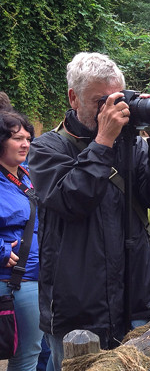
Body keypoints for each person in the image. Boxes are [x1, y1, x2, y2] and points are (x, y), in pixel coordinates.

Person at [28, 52, 150, 370]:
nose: (109, 110)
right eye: (100, 101)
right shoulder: (46, 149)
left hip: (136, 305)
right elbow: (73, 201)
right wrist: (103, 141)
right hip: (78, 317)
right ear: (73, 97)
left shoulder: (135, 146)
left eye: (115, 99)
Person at [0, 111, 44, 371]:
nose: (25, 144)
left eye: (28, 138)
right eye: (17, 138)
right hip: (12, 281)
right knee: (26, 356)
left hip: (36, 275)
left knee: (32, 352)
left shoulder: (27, 175)